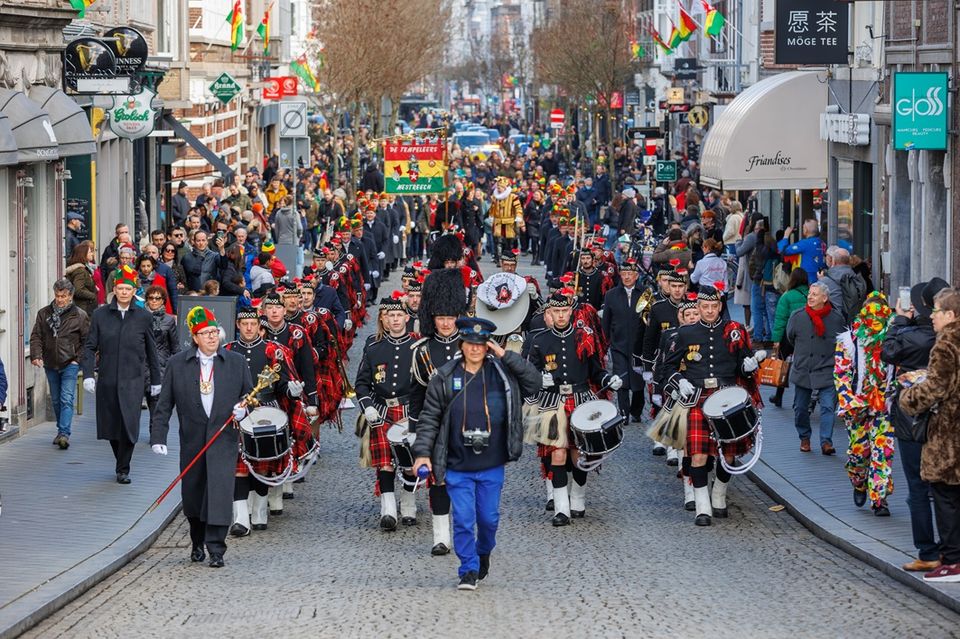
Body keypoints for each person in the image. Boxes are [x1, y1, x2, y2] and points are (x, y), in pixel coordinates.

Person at [412, 317, 541, 590]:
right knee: (463, 519)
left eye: (481, 344)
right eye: (470, 343)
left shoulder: (502, 374)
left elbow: (534, 382)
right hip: (457, 463)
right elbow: (429, 418)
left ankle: (483, 552)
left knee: (488, 519)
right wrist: (422, 453)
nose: (475, 349)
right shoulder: (445, 376)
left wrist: (505, 355)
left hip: (492, 462)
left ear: (488, 346)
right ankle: (468, 568)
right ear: (462, 344)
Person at [150, 307, 253, 568]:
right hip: (192, 441)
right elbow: (164, 404)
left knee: (219, 494)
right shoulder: (177, 364)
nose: (211, 337)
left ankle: (216, 549)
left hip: (223, 440)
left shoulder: (236, 362)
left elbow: (250, 395)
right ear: (195, 337)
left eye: (214, 332)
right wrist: (158, 436)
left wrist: (244, 410)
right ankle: (197, 541)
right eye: (205, 333)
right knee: (193, 497)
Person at [661, 284, 764, 526]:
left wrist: (749, 367)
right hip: (697, 397)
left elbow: (743, 366)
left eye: (714, 306)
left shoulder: (734, 330)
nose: (709, 311)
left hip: (727, 397)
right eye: (705, 306)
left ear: (720, 306)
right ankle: (702, 507)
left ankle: (718, 493)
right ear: (698, 307)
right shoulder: (685, 334)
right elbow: (668, 367)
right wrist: (679, 381)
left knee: (729, 455)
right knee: (697, 455)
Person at [526, 292, 623, 525]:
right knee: (557, 453)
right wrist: (539, 380)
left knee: (579, 454)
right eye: (556, 312)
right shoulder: (539, 340)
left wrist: (608, 379)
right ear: (549, 313)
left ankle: (578, 498)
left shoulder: (584, 336)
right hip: (552, 402)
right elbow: (530, 374)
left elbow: (596, 371)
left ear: (571, 311)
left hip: (580, 399)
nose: (560, 316)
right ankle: (562, 509)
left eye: (564, 311)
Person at [882, 278, 947, 572]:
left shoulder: (909, 336)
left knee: (917, 487)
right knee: (945, 488)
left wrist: (898, 320)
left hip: (912, 419)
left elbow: (887, 352)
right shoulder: (946, 339)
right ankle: (949, 549)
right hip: (942, 422)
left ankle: (927, 550)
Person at [900, 287, 960, 583]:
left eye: (936, 311)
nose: (932, 316)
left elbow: (936, 387)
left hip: (947, 434)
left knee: (945, 495)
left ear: (950, 315)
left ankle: (952, 561)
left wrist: (908, 397)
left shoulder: (946, 345)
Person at [81, 265, 162, 483]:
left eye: (128, 289)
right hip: (107, 379)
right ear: (114, 290)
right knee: (111, 425)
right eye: (120, 288)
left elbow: (151, 351)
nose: (124, 292)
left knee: (130, 423)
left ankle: (123, 468)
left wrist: (156, 380)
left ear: (134, 291)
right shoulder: (100, 315)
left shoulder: (143, 316)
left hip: (133, 380)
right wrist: (88, 374)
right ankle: (121, 460)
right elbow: (89, 346)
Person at [410, 267, 468, 555]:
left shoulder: (471, 346)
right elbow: (417, 394)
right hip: (435, 426)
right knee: (439, 481)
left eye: (450, 317)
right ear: (432, 318)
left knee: (466, 484)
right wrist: (414, 430)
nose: (445, 323)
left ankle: (466, 535)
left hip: (467, 424)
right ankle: (441, 537)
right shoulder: (422, 350)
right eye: (440, 318)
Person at [355, 294, 418, 530]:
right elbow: (361, 383)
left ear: (407, 318)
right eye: (391, 315)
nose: (395, 319)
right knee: (384, 462)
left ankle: (409, 503)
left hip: (409, 410)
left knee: (409, 462)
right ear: (384, 318)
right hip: (381, 410)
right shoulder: (373, 348)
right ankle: (388, 509)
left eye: (399, 315)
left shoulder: (418, 347)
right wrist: (368, 406)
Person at [835, 292, 894, 515]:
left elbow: (899, 370)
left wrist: (894, 393)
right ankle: (859, 482)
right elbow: (841, 373)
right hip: (858, 406)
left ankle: (879, 499)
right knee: (859, 453)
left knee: (883, 451)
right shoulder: (850, 340)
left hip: (883, 406)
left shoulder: (893, 340)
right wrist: (849, 400)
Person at [785, 281, 845, 454]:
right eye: (810, 294)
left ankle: (826, 442)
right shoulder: (797, 316)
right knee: (800, 408)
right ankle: (804, 437)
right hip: (804, 369)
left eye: (815, 294)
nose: (810, 297)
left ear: (824, 298)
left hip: (826, 368)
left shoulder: (836, 318)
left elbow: (842, 342)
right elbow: (790, 337)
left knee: (828, 407)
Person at [29, 279, 90, 449]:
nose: (60, 299)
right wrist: (36, 355)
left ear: (70, 296)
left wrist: (77, 359)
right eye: (57, 296)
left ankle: (64, 433)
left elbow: (87, 341)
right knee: (56, 400)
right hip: (50, 362)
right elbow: (36, 336)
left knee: (66, 398)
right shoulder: (44, 313)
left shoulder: (79, 315)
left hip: (70, 362)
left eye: (64, 296)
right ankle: (60, 429)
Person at [601, 258, 646, 424]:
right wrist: (604, 346)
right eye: (624, 273)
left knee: (638, 381)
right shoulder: (611, 295)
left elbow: (650, 320)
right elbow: (606, 322)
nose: (627, 277)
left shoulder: (645, 293)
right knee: (621, 379)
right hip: (618, 344)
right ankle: (624, 412)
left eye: (630, 274)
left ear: (636, 275)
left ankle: (636, 411)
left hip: (639, 346)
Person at [770, 268, 809, 407]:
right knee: (804, 367)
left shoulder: (786, 296)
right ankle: (801, 400)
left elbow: (780, 320)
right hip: (806, 336)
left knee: (783, 366)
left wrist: (776, 340)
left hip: (788, 336)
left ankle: (779, 396)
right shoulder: (811, 294)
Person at [143, 286, 180, 421]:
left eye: (158, 298)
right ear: (147, 300)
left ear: (163, 300)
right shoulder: (139, 317)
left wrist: (175, 368)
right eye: (151, 298)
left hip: (160, 366)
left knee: (156, 407)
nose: (154, 301)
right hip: (141, 364)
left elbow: (175, 346)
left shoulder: (169, 320)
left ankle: (155, 431)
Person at [778, 219, 826, 284]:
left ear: (806, 230)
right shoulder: (822, 243)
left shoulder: (805, 243)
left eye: (803, 227)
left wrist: (786, 236)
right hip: (821, 279)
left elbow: (784, 250)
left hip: (808, 280)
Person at [65, 241, 99, 316]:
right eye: (90, 252)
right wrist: (93, 295)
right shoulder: (80, 271)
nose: (92, 254)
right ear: (83, 254)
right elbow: (78, 290)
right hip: (84, 308)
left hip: (85, 307)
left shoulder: (84, 268)